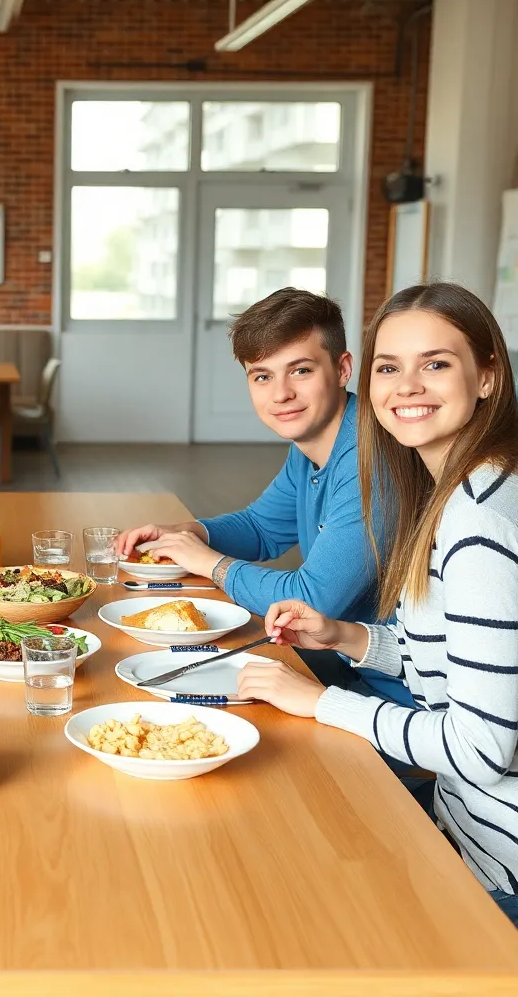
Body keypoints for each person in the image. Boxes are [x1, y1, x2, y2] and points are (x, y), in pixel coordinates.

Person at [236, 283, 518, 925]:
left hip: (496, 864)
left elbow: (479, 750)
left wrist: (319, 702)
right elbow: (455, 657)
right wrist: (347, 637)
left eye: (436, 364)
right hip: (464, 824)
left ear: (489, 379)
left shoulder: (480, 525)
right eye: (390, 367)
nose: (406, 386)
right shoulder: (469, 486)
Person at [116, 288, 408, 704]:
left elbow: (310, 601)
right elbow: (262, 528)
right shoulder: (316, 442)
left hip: (391, 697)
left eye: (301, 371)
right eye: (262, 376)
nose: (281, 394)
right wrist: (187, 532)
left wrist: (208, 563)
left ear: (343, 368)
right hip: (335, 663)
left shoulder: (373, 460)